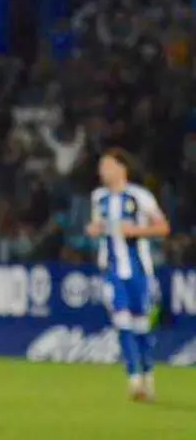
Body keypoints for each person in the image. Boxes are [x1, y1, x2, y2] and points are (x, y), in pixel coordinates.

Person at [86, 147, 170, 402]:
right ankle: (134, 381)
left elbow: (163, 227)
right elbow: (98, 226)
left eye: (107, 166)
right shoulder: (98, 197)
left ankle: (148, 377)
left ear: (121, 168)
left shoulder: (139, 196)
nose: (102, 171)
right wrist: (94, 229)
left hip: (139, 271)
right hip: (112, 272)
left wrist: (134, 231)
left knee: (141, 325)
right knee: (122, 322)